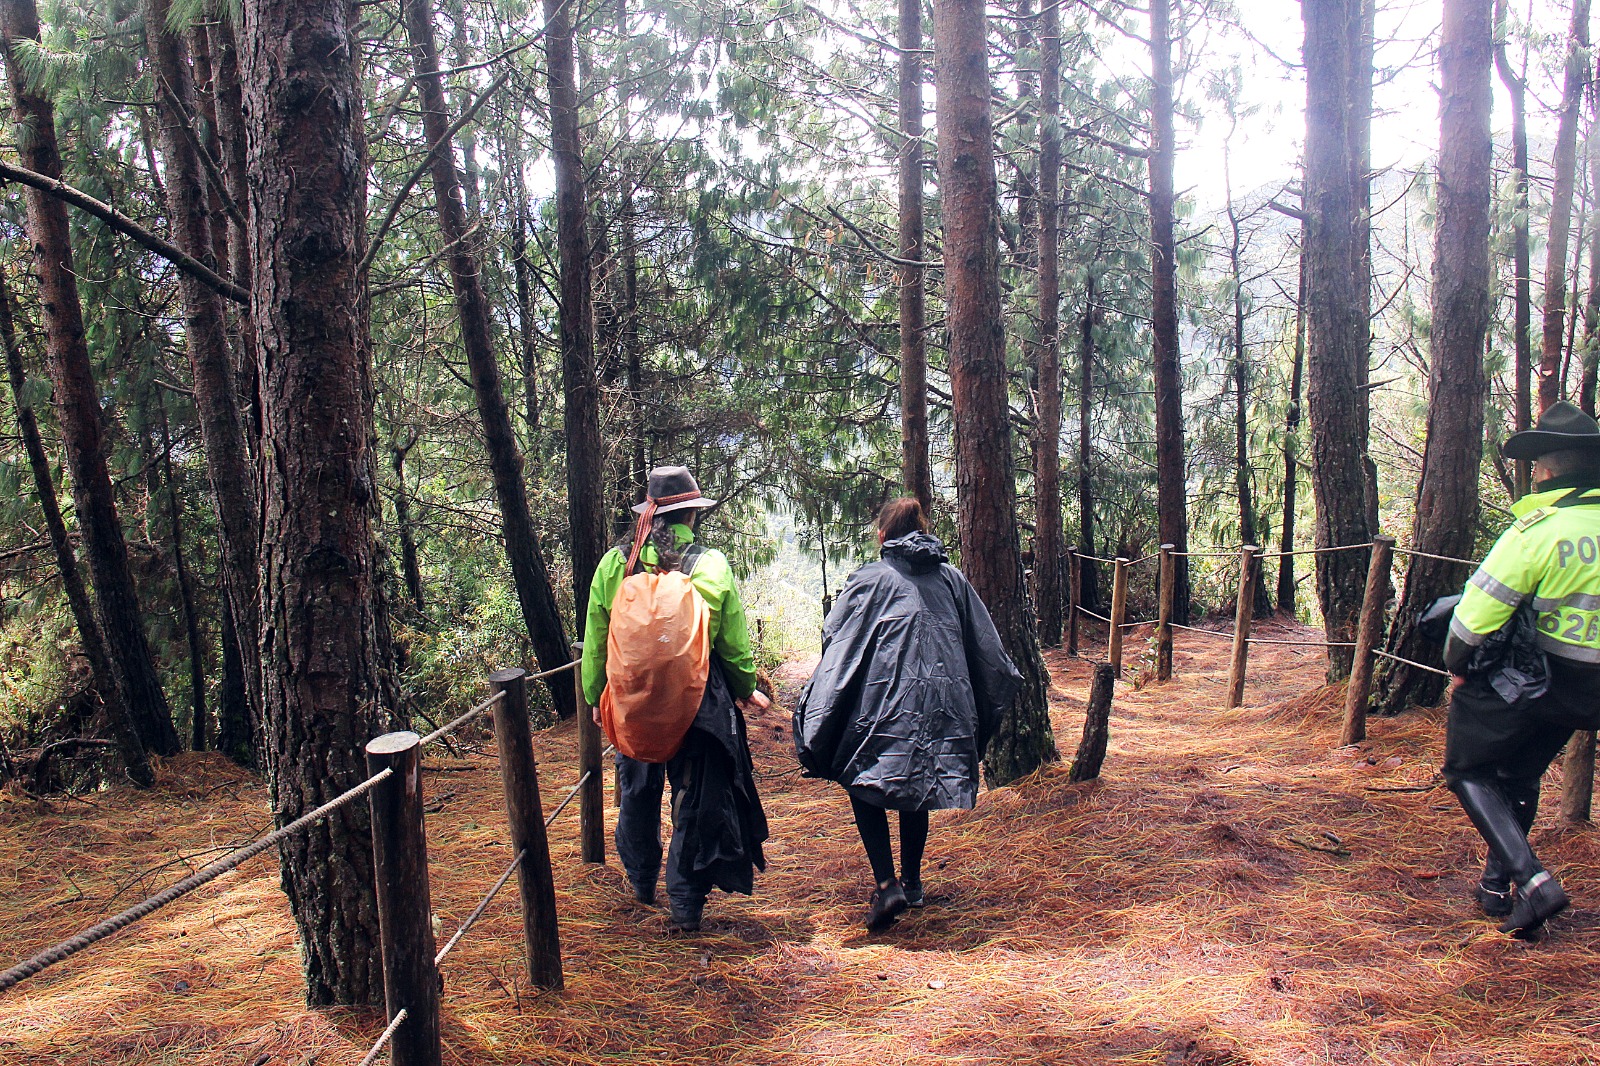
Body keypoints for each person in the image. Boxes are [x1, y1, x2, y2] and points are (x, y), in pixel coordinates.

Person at [793, 498, 1023, 931]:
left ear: (883, 536)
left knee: (864, 778)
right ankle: (913, 883)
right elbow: (986, 647)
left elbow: (834, 634)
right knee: (916, 781)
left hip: (881, 706)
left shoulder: (869, 579)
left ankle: (886, 884)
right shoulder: (952, 579)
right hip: (943, 705)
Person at [580, 466, 771, 932]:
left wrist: (594, 697)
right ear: (692, 513)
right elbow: (729, 642)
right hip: (696, 707)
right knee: (693, 800)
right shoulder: (710, 564)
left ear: (648, 511)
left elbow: (597, 638)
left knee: (637, 794)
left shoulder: (614, 563)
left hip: (631, 702)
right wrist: (746, 690)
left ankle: (642, 882)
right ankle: (685, 904)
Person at [1443, 401, 1600, 938]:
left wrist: (1458, 668)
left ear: (1549, 469)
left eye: (1535, 465)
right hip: (1589, 693)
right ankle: (1495, 884)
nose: (1532, 474)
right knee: (1519, 773)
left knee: (1468, 769)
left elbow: (1472, 621)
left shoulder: (1537, 530)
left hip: (1541, 683)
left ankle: (1532, 881)